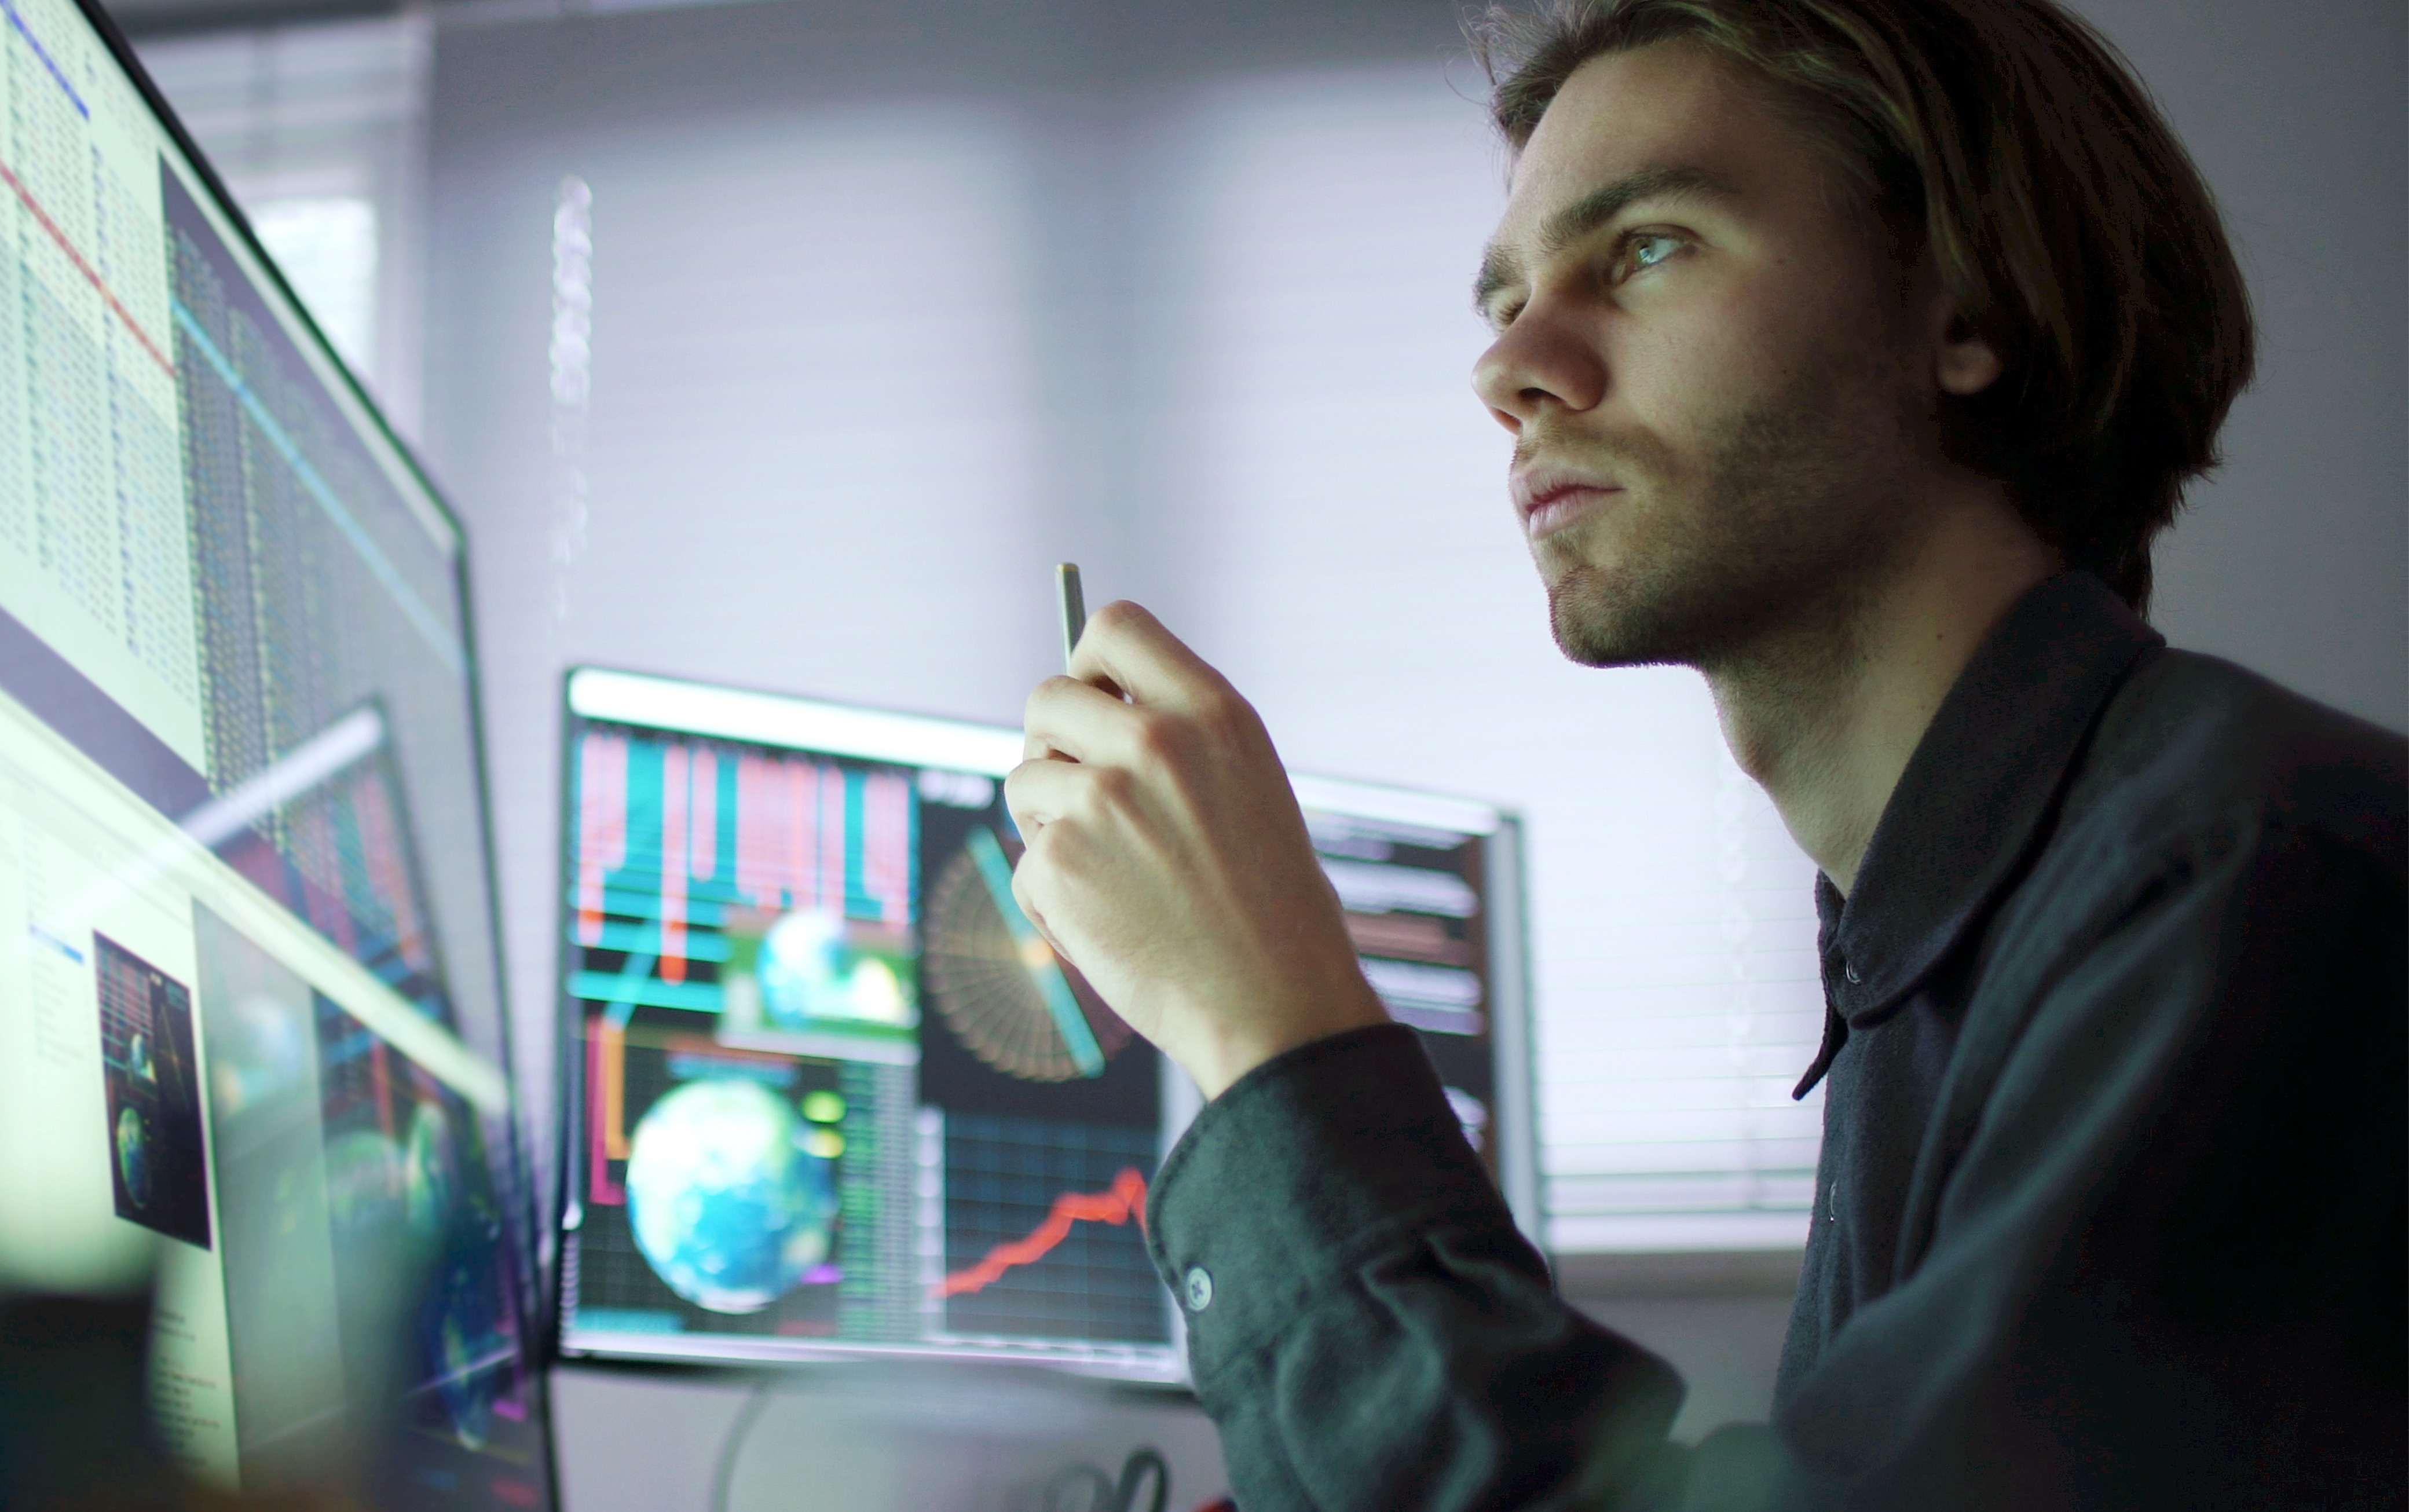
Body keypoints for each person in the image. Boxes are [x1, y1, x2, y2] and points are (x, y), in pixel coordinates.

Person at [1002, 0, 2406, 1506]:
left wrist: (1266, 1023)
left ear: (1966, 312)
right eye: (1505, 302)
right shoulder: (1950, 944)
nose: (1512, 367)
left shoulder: (2248, 884)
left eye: (1646, 248)